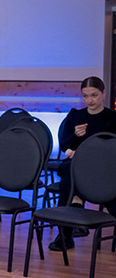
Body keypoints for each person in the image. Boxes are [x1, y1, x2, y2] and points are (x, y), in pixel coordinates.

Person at [48, 76, 116, 251]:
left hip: (104, 167)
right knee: (71, 171)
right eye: (85, 96)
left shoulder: (112, 118)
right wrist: (75, 137)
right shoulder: (75, 115)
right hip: (76, 165)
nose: (89, 100)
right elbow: (64, 145)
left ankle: (68, 229)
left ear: (103, 93)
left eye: (94, 95)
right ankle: (69, 227)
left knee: (71, 177)